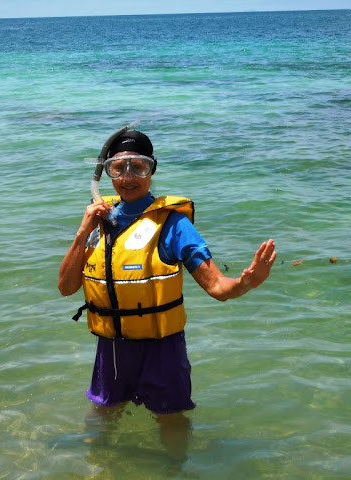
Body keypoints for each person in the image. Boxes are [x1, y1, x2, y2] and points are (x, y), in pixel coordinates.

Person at [58, 128, 277, 457]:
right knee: (103, 413)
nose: (128, 177)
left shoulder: (173, 225)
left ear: (152, 170)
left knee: (171, 419)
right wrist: (83, 230)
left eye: (139, 167)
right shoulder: (98, 220)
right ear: (106, 172)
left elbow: (218, 287)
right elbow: (66, 288)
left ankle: (174, 470)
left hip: (163, 349)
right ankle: (98, 468)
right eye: (118, 168)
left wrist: (245, 283)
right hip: (112, 348)